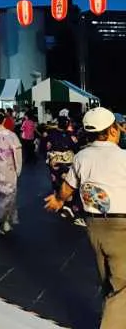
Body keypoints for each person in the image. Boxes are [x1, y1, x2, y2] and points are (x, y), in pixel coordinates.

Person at [44, 107, 126, 329]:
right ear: (111, 131)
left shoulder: (81, 157)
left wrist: (59, 201)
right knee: (123, 287)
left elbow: (67, 188)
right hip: (121, 227)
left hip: (94, 226)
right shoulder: (123, 157)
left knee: (108, 280)